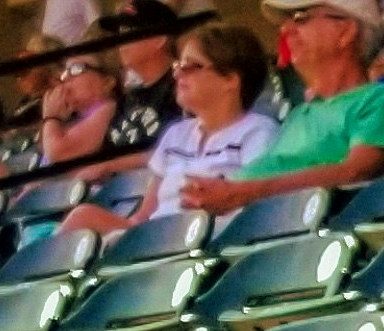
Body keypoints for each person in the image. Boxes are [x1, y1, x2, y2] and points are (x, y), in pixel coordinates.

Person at [180, 0, 384, 212]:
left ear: (346, 31)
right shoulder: (299, 114)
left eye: (301, 19)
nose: (285, 30)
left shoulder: (383, 98)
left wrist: (242, 193)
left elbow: (356, 173)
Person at [63, 21, 277, 230]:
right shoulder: (176, 134)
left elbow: (253, 210)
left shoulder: (258, 133)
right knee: (81, 217)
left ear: (230, 79)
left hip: (208, 243)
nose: (176, 74)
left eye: (190, 66)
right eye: (177, 66)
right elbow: (142, 218)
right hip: (156, 242)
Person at [93, 0, 188, 158]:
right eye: (120, 33)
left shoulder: (183, 86)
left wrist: (107, 167)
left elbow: (174, 151)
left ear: (159, 39)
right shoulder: (128, 98)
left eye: (129, 31)